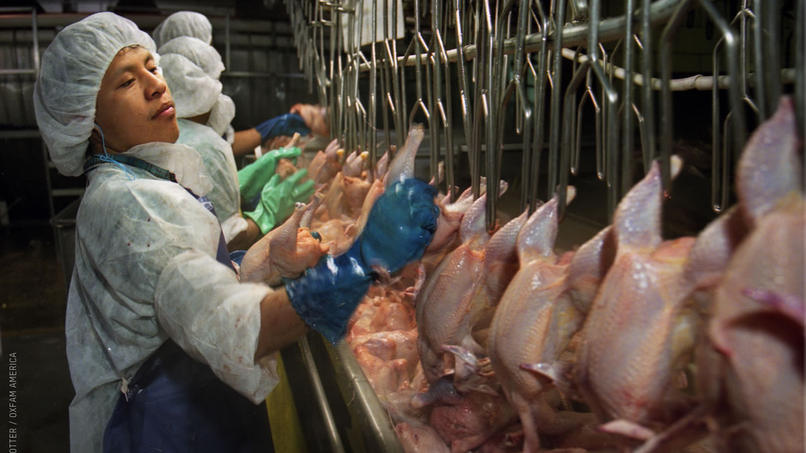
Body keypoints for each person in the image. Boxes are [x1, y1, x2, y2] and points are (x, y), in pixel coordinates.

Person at [33, 12, 438, 453]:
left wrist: (266, 259)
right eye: (126, 82)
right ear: (86, 124)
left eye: (151, 66)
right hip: (160, 429)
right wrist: (360, 262)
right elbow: (231, 326)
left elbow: (179, 288)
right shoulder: (132, 205)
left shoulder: (140, 178)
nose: (155, 84)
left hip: (179, 409)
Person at [158, 36, 312, 248]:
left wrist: (240, 181)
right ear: (200, 88)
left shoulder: (166, 135)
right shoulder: (206, 144)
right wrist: (268, 211)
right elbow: (229, 242)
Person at [153, 10, 312, 157]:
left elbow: (222, 144)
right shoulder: (172, 97)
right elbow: (210, 149)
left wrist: (269, 129)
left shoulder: (199, 100)